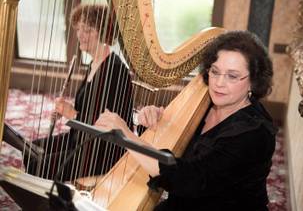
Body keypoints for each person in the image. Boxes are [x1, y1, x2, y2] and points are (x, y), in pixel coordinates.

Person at [94, 30, 278, 210]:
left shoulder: (254, 133)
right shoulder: (206, 104)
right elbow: (171, 148)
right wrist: (155, 122)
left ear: (253, 81)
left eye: (232, 76)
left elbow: (192, 179)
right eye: (215, 71)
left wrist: (126, 136)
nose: (219, 82)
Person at [24, 4, 133, 181]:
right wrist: (65, 111)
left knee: (39, 164)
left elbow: (105, 127)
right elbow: (88, 108)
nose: (80, 35)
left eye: (87, 30)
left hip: (102, 150)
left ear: (103, 33)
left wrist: (71, 113)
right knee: (31, 150)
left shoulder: (114, 70)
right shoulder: (94, 64)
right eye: (79, 29)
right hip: (82, 138)